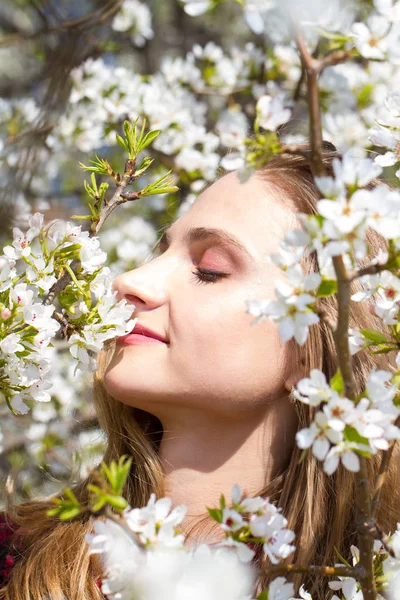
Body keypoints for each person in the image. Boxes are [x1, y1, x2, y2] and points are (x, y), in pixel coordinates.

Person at [1, 147, 400, 600]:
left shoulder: (360, 582)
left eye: (209, 270)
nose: (130, 279)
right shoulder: (15, 557)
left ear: (311, 355)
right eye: (162, 250)